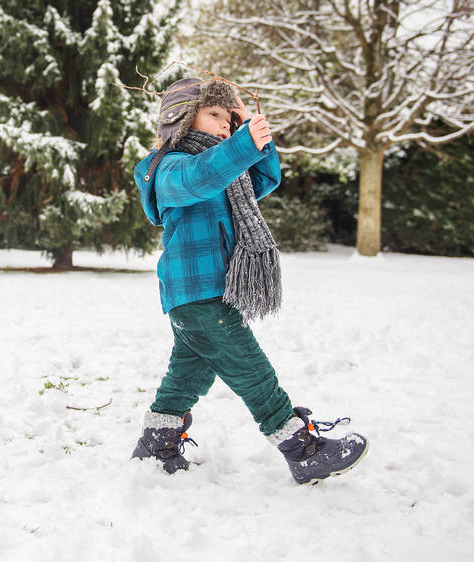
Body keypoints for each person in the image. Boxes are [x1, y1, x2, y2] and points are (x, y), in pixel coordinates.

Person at [130, 77, 368, 485]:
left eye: (230, 117)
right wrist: (239, 146)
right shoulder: (168, 167)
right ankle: (302, 450)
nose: (225, 124)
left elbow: (262, 180)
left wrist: (251, 137)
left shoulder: (227, 172)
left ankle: (158, 441)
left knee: (191, 372)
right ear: (183, 119)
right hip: (197, 289)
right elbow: (199, 178)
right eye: (215, 114)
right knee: (252, 370)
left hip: (213, 290)